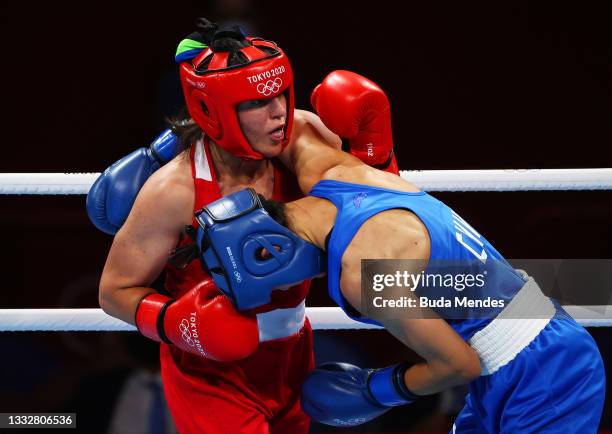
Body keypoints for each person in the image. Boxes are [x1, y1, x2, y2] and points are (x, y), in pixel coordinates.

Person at [196, 100, 606, 432]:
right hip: (519, 357)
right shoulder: (338, 172)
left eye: (276, 284)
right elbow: (284, 124)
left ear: (269, 253)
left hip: (544, 372)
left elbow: (456, 364)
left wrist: (376, 390)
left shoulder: (365, 276)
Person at [93, 18, 398, 434]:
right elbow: (114, 291)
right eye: (256, 103)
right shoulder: (174, 190)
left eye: (280, 96)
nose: (278, 114)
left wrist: (376, 155)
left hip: (293, 354)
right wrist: (176, 322)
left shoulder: (303, 137)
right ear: (212, 111)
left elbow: (384, 223)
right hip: (209, 369)